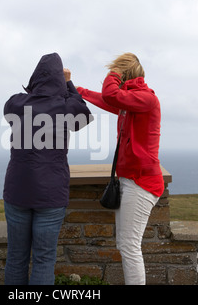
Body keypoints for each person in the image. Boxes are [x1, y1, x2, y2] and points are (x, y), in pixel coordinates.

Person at [3, 52, 92, 285]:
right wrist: (68, 83)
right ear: (58, 81)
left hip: (17, 191)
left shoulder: (16, 103)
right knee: (44, 259)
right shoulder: (65, 107)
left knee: (15, 257)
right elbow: (83, 112)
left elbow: (23, 101)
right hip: (51, 194)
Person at [76, 53, 164, 285]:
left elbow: (110, 94)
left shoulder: (147, 99)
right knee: (125, 244)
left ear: (125, 74)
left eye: (117, 73)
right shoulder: (131, 102)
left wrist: (114, 73)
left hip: (141, 182)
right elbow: (107, 100)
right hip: (129, 180)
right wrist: (79, 91)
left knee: (129, 245)